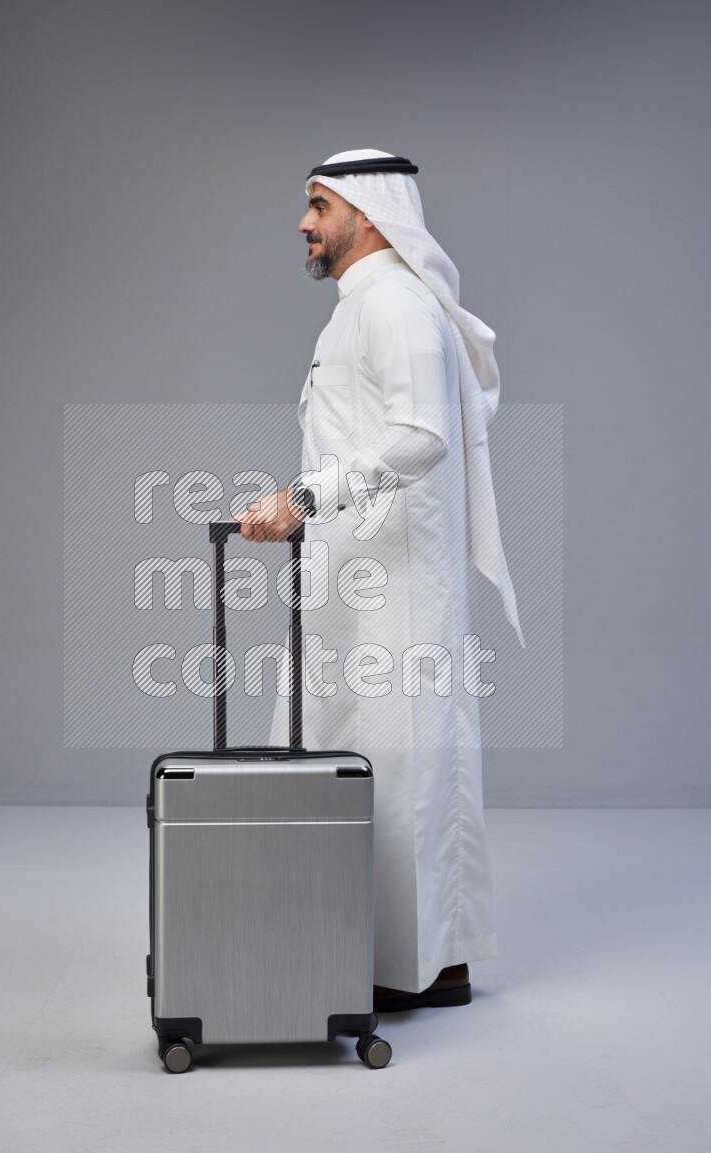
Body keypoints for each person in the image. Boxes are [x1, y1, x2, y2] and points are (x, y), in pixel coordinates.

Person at [235, 149, 524, 1012]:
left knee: (407, 761)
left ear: (366, 212)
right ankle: (390, 953)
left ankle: (421, 962)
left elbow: (422, 434)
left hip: (398, 583)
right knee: (353, 753)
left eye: (318, 204)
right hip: (353, 574)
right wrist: (308, 507)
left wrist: (304, 498)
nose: (304, 222)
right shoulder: (360, 308)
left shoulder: (394, 303)